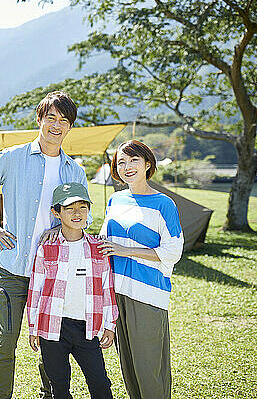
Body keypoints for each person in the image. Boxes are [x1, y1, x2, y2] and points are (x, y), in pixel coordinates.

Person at [0, 91, 90, 399]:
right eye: (51, 118)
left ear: (70, 127)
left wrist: (61, 227)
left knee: (52, 342)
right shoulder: (12, 157)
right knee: (5, 340)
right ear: (39, 119)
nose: (56, 126)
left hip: (52, 272)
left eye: (64, 120)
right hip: (12, 268)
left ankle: (50, 394)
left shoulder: (74, 171)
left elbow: (79, 216)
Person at [98, 140, 184, 399]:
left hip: (147, 294)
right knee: (129, 367)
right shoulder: (115, 199)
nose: (127, 167)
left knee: (149, 369)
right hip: (117, 292)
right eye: (121, 162)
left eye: (133, 160)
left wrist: (126, 250)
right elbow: (104, 241)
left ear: (148, 164)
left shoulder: (164, 204)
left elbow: (173, 251)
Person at [27, 182, 117, 399]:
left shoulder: (99, 248)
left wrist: (110, 325)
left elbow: (107, 290)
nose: (77, 213)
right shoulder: (46, 248)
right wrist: (33, 327)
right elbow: (35, 290)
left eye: (82, 207)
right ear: (56, 213)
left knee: (100, 383)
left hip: (87, 328)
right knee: (59, 384)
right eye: (69, 208)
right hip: (53, 327)